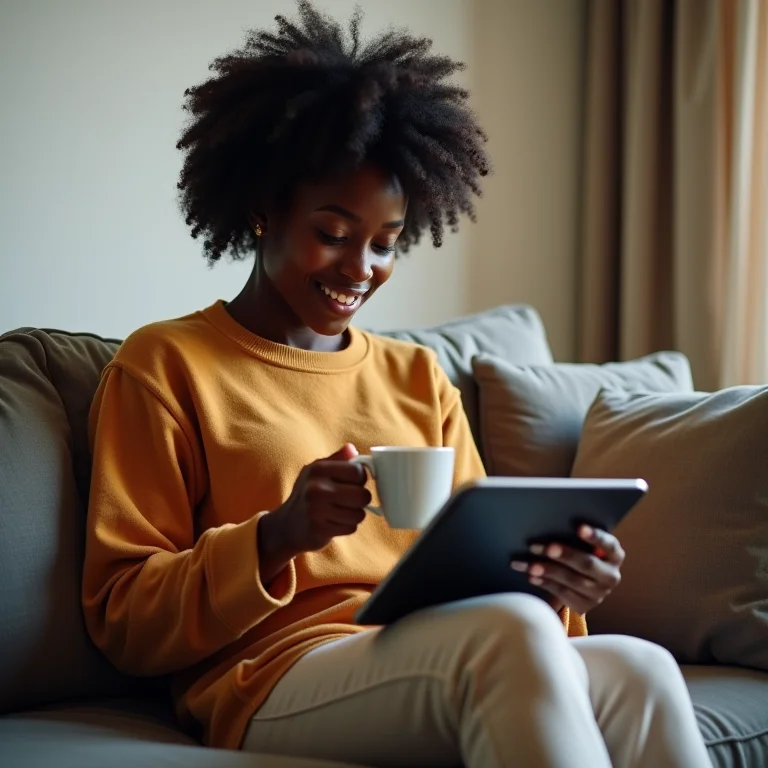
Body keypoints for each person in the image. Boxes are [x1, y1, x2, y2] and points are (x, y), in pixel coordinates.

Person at [82, 2, 711, 766]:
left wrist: (561, 586)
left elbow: (492, 575)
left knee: (641, 665)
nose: (360, 270)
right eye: (333, 234)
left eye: (384, 244)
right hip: (270, 674)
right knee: (505, 636)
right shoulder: (167, 364)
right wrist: (279, 536)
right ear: (259, 211)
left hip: (438, 648)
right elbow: (122, 619)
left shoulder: (416, 375)